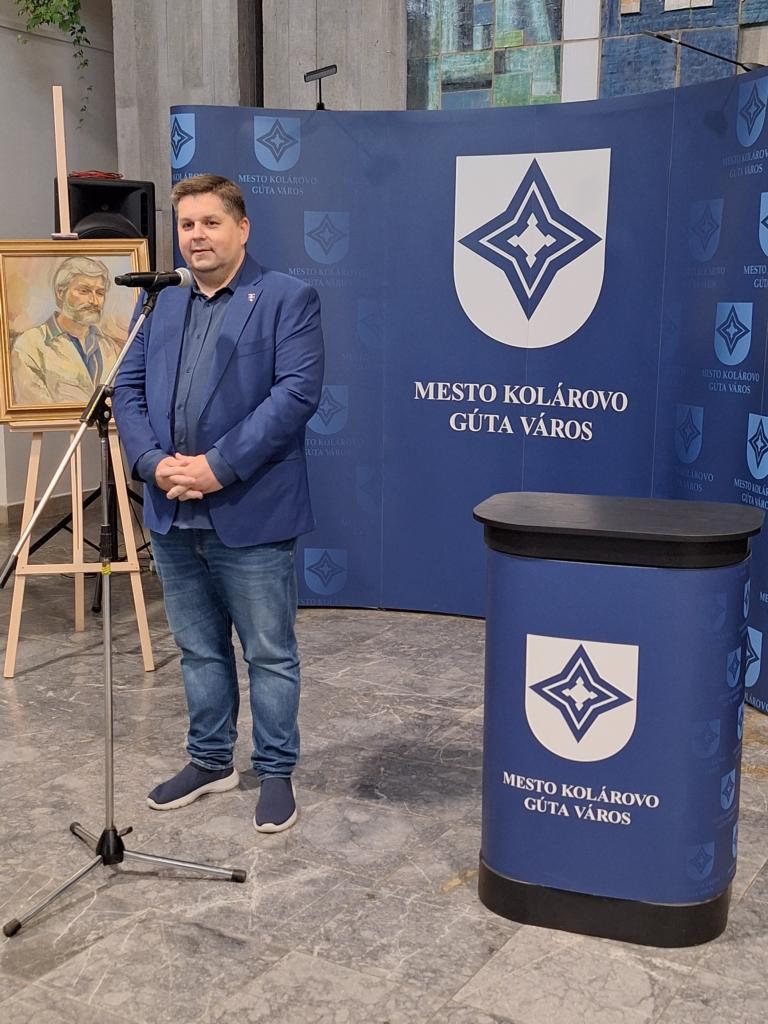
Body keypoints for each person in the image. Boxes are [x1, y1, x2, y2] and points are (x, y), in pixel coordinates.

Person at [112, 174, 324, 832]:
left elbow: (295, 395)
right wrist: (151, 463)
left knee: (269, 653)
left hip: (250, 509)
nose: (196, 236)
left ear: (242, 228)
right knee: (199, 649)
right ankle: (209, 761)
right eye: (186, 225)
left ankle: (276, 769)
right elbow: (127, 388)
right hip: (171, 508)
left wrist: (216, 468)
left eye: (210, 222)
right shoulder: (160, 299)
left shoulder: (287, 297)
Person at [12, 256, 123, 406]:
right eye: (84, 291)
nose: (94, 301)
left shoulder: (111, 348)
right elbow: (33, 407)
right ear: (60, 292)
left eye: (100, 293)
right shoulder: (29, 345)